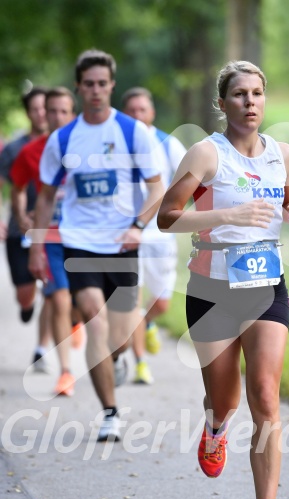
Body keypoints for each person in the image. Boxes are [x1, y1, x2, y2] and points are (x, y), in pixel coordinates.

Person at [158, 61, 289, 499]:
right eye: (240, 94)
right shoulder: (206, 154)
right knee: (225, 399)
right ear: (222, 104)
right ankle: (215, 426)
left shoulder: (281, 154)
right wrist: (228, 213)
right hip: (212, 288)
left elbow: (287, 201)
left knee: (265, 395)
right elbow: (166, 217)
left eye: (258, 93)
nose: (250, 102)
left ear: (265, 100)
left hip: (266, 283)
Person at [29, 49, 163, 441]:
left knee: (118, 336)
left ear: (111, 86)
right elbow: (44, 195)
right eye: (88, 84)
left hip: (123, 244)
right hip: (79, 243)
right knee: (94, 319)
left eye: (102, 84)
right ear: (78, 87)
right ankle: (110, 412)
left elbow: (157, 187)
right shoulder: (64, 137)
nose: (96, 90)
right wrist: (38, 246)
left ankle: (115, 359)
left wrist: (139, 225)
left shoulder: (130, 132)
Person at [11, 86, 82, 397]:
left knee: (84, 303)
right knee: (58, 298)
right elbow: (17, 187)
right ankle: (66, 371)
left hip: (85, 235)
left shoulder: (90, 145)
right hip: (50, 234)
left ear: (73, 113)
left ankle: (76, 321)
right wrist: (21, 216)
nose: (55, 117)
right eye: (50, 111)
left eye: (63, 111)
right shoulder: (30, 151)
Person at [121, 87, 186, 384]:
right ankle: (140, 364)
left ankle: (147, 323)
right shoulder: (116, 145)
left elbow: (193, 181)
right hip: (127, 237)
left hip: (161, 237)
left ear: (152, 112)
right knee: (133, 301)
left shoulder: (168, 144)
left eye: (142, 110)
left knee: (160, 303)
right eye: (131, 110)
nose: (137, 115)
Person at [0, 87, 52, 371]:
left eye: (47, 108)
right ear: (28, 112)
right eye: (36, 109)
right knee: (26, 293)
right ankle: (25, 305)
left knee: (52, 290)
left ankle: (41, 349)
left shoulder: (63, 144)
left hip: (54, 229)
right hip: (20, 230)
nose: (42, 114)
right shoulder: (13, 149)